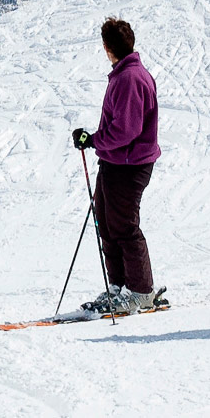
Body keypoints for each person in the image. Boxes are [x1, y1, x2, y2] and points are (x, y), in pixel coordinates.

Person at [71, 17, 165, 315]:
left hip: (129, 164)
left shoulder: (130, 78)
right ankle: (120, 286)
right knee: (108, 224)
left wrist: (93, 139)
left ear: (107, 47)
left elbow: (127, 130)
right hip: (116, 162)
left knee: (123, 225)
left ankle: (140, 291)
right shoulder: (125, 74)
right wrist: (94, 141)